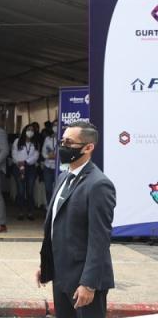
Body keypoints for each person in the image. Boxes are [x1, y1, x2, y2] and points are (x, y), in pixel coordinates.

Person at [37, 121, 115, 318]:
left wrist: (89, 283)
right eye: (62, 141)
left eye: (69, 143)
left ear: (88, 148)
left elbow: (99, 239)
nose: (63, 147)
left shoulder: (99, 185)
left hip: (84, 281)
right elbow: (56, 226)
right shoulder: (63, 178)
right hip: (61, 275)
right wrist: (46, 265)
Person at [12, 124, 39, 221]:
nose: (30, 131)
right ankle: (20, 211)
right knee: (20, 191)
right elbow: (14, 154)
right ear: (24, 130)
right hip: (18, 168)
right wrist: (19, 163)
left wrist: (26, 162)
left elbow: (36, 156)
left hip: (31, 168)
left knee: (30, 191)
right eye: (28, 129)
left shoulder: (35, 142)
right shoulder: (17, 141)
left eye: (32, 130)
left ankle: (30, 212)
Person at [41, 124, 57, 204]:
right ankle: (49, 206)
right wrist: (48, 156)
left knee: (57, 189)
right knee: (48, 189)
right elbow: (43, 152)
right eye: (54, 125)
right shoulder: (47, 139)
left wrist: (57, 157)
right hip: (48, 166)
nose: (56, 126)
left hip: (58, 167)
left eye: (57, 125)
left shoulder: (63, 138)